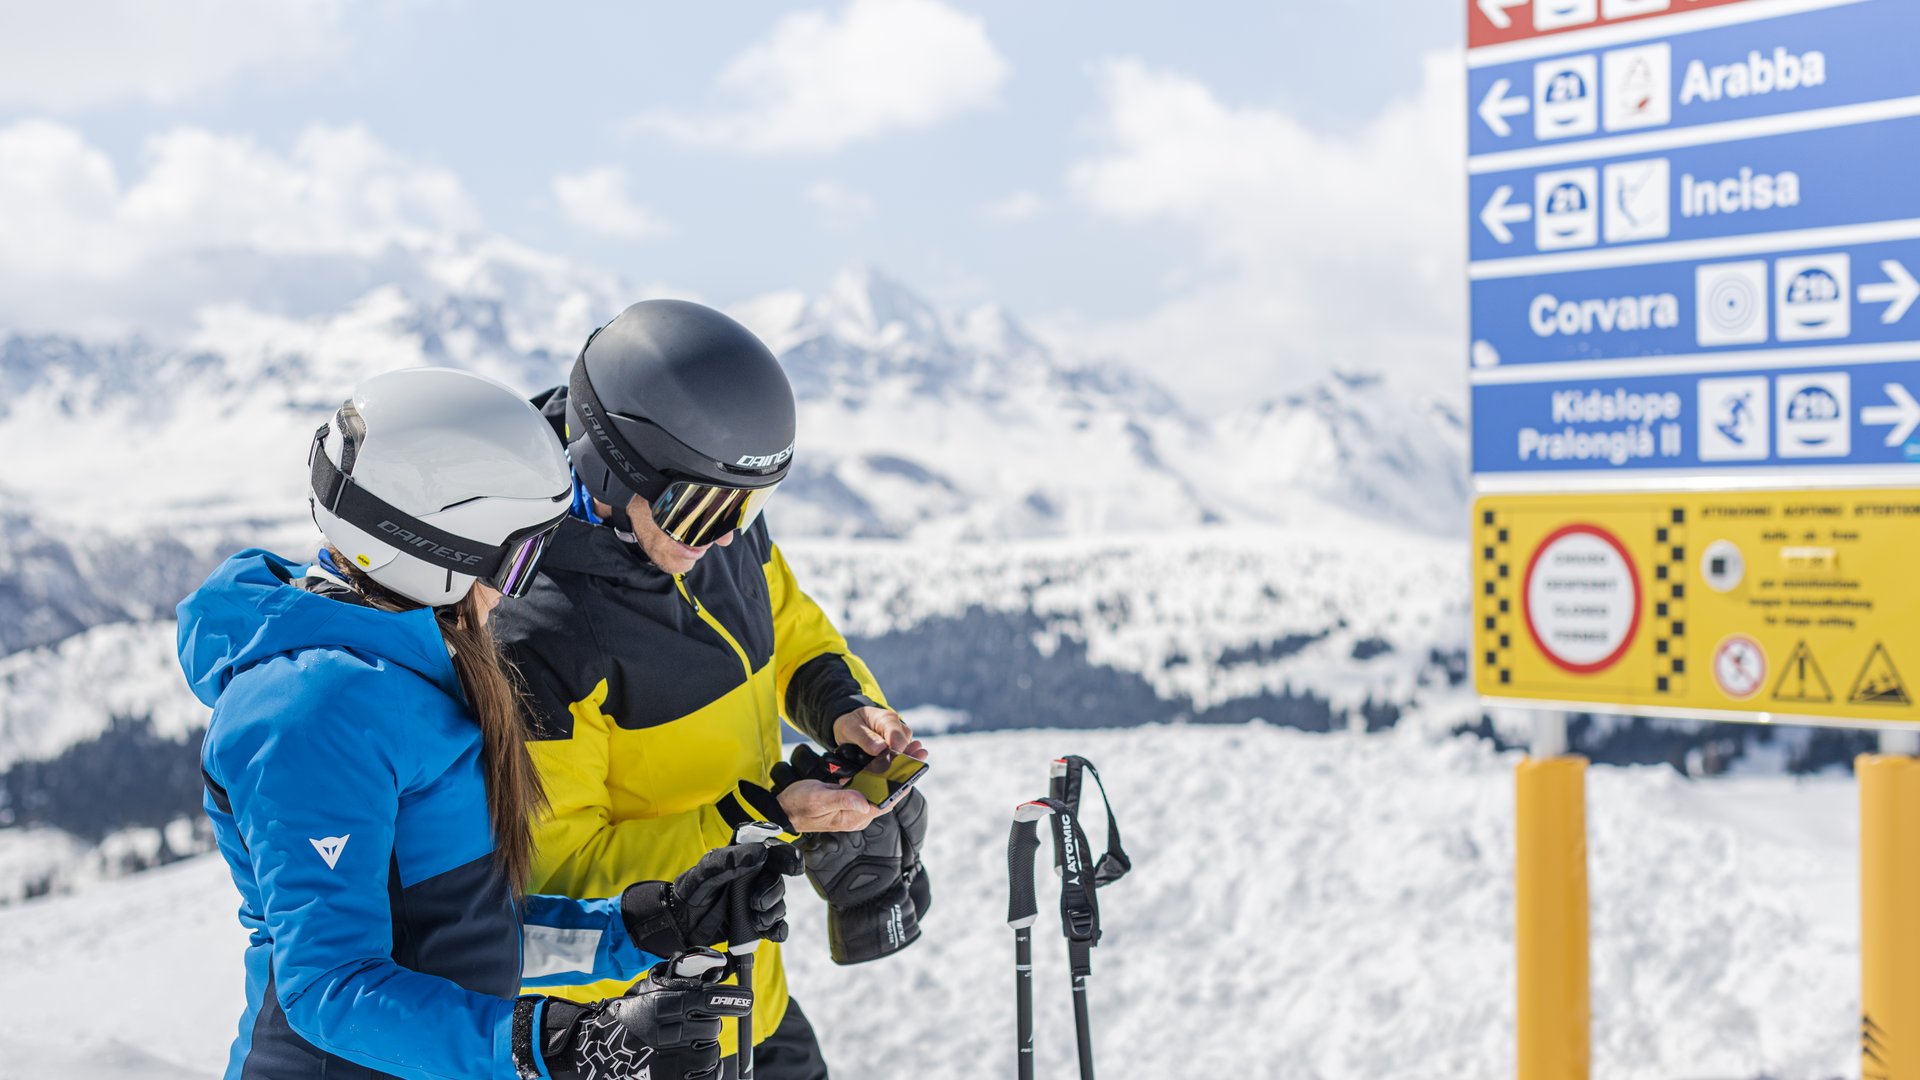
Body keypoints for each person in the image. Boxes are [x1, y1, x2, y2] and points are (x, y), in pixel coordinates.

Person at [176, 366, 801, 1080]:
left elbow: (465, 934)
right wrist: (563, 1043)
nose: (517, 587)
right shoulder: (312, 715)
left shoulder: (414, 675)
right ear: (433, 551)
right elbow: (331, 991)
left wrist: (648, 925)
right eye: (521, 554)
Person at [491, 300, 930, 1078]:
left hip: (750, 991)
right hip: (639, 1029)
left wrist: (843, 706)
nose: (728, 535)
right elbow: (560, 889)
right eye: (703, 511)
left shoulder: (704, 519)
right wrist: (757, 820)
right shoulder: (536, 633)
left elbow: (788, 630)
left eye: (749, 505)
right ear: (607, 466)